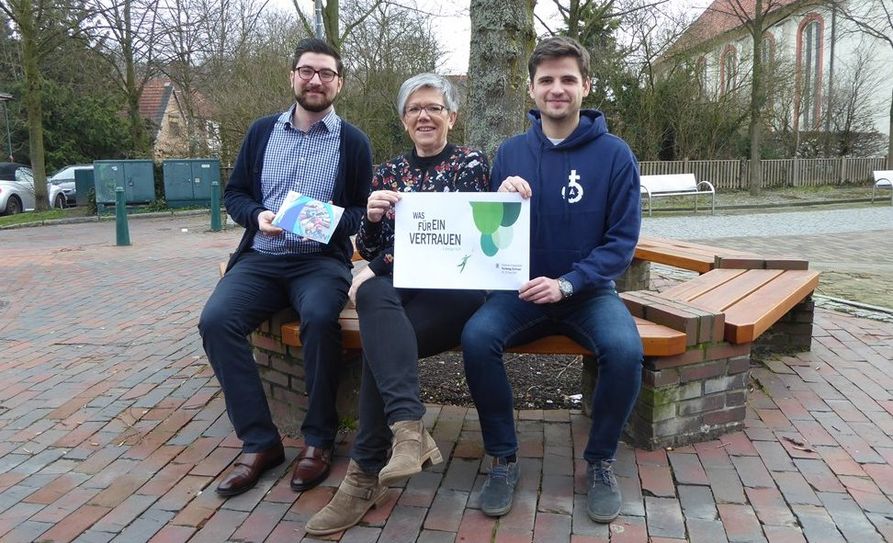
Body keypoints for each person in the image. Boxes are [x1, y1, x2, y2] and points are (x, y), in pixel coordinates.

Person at [460, 36, 643, 523]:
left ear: (585, 85)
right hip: (519, 292)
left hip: (587, 293)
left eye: (567, 79)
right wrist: (500, 198)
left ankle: (601, 461)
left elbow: (621, 242)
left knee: (625, 351)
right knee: (477, 337)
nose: (556, 89)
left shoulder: (615, 154)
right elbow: (490, 234)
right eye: (546, 80)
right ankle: (503, 458)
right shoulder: (511, 152)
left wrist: (568, 283)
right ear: (531, 88)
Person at [305, 73, 489, 536]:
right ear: (404, 120)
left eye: (433, 108)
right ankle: (408, 431)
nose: (423, 116)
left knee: (376, 320)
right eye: (414, 109)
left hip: (453, 295)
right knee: (371, 293)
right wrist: (369, 218)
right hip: (400, 292)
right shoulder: (387, 172)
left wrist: (379, 263)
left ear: (452, 116)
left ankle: (364, 476)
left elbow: (451, 244)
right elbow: (367, 245)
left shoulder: (470, 164)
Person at [198, 38, 372, 498]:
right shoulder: (261, 132)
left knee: (318, 319)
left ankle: (318, 440)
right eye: (307, 71)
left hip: (320, 263)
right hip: (261, 259)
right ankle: (261, 443)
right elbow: (236, 193)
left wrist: (326, 222)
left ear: (339, 83)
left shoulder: (352, 142)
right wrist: (258, 217)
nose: (316, 80)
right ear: (292, 76)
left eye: (326, 73)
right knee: (215, 322)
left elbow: (359, 210)